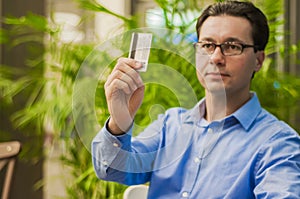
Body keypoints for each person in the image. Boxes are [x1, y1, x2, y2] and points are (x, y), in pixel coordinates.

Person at [92, 1, 300, 198]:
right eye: (208, 45)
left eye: (232, 46)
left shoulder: (277, 144)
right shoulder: (170, 125)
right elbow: (112, 170)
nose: (216, 58)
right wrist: (119, 119)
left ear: (258, 60)